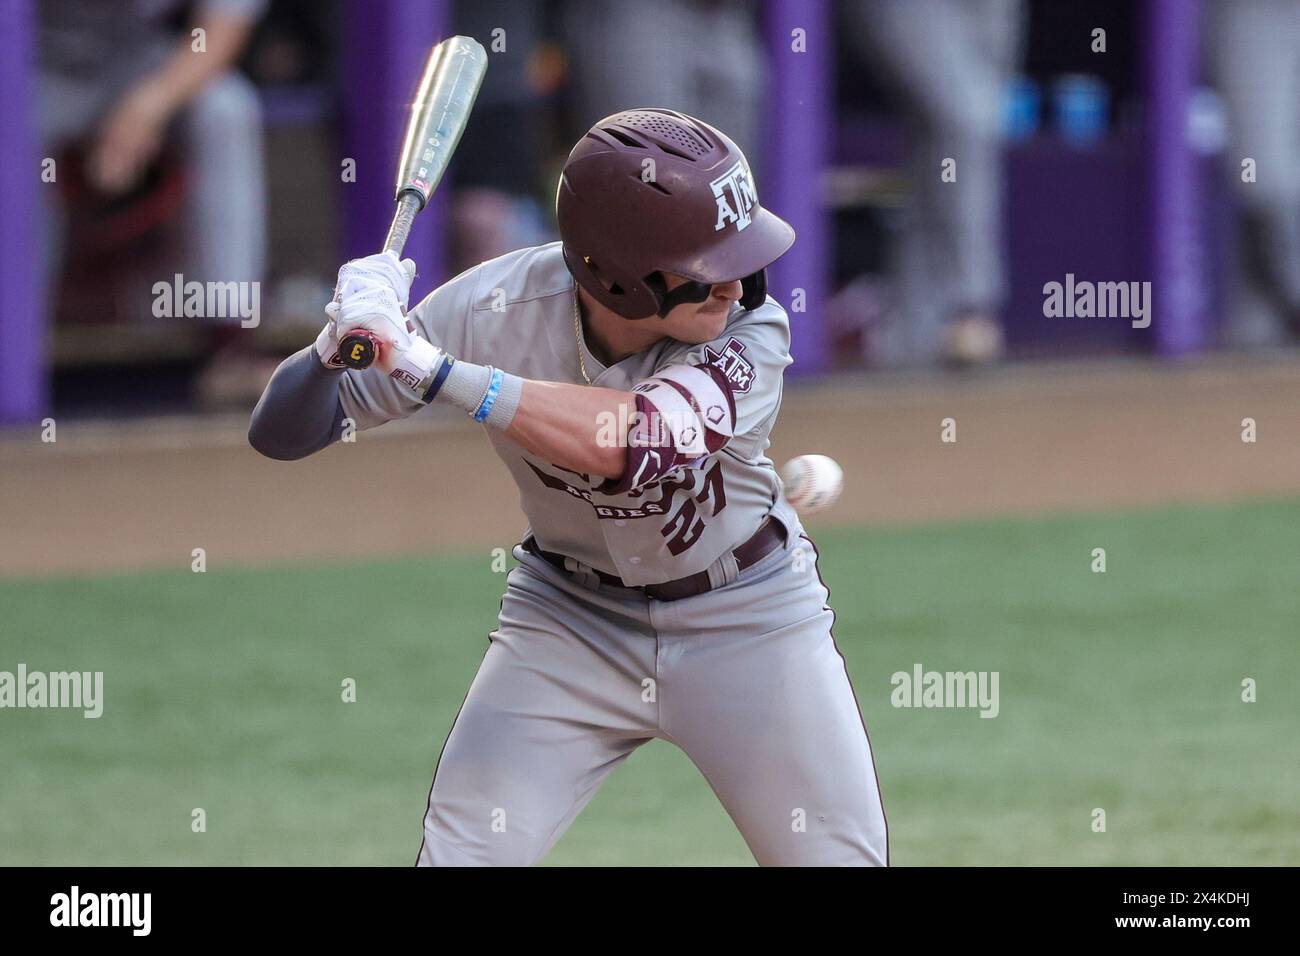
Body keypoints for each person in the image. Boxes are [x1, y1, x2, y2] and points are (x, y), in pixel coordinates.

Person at [249, 109, 888, 866]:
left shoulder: (754, 331)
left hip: (752, 621)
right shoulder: (490, 308)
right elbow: (283, 434)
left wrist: (438, 372)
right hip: (567, 625)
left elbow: (628, 437)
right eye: (708, 264)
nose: (739, 283)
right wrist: (333, 347)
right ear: (614, 271)